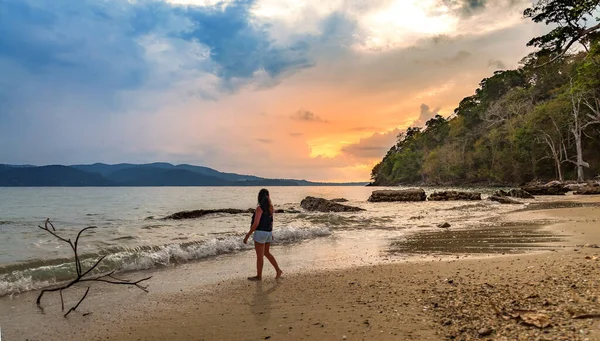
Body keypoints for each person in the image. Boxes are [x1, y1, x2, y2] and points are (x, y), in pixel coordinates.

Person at [243, 188, 283, 281]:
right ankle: (278, 270)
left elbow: (256, 224)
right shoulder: (270, 208)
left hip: (260, 233)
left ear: (259, 197)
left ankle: (259, 276)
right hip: (268, 233)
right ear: (268, 196)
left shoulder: (259, 208)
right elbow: (271, 222)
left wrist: (247, 235)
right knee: (267, 253)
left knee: (260, 256)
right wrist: (271, 233)